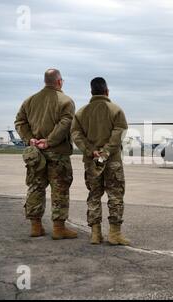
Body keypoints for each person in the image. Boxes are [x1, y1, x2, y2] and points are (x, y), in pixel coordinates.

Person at [15, 68, 77, 240]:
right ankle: (59, 229)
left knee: (35, 187)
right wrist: (49, 141)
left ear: (45, 81)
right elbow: (65, 124)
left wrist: (30, 139)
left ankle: (36, 227)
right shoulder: (66, 101)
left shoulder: (29, 101)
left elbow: (20, 121)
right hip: (57, 153)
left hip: (36, 155)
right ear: (59, 82)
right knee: (60, 190)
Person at [71, 77, 129, 245]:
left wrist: (91, 151)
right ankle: (114, 234)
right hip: (112, 161)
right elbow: (119, 132)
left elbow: (76, 135)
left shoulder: (81, 113)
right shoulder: (116, 110)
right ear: (107, 91)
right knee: (115, 195)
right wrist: (106, 152)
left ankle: (95, 234)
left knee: (94, 196)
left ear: (91, 92)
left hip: (91, 161)